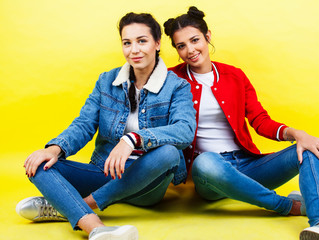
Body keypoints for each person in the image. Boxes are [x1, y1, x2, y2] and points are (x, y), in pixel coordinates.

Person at [163, 6, 319, 240]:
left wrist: (297, 134)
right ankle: (289, 206)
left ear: (208, 37)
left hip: (248, 164)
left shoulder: (234, 76)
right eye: (181, 46)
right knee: (205, 162)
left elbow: (260, 121)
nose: (190, 50)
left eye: (195, 40)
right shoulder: (172, 79)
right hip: (210, 174)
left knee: (310, 148)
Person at [16, 12, 196, 240]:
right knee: (39, 165)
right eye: (127, 43)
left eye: (142, 41)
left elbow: (185, 130)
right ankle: (97, 229)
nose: (134, 50)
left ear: (157, 43)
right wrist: (55, 149)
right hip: (106, 173)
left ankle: (78, 206)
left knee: (170, 152)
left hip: (148, 184)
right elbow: (84, 124)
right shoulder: (106, 81)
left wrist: (131, 139)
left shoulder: (177, 87)